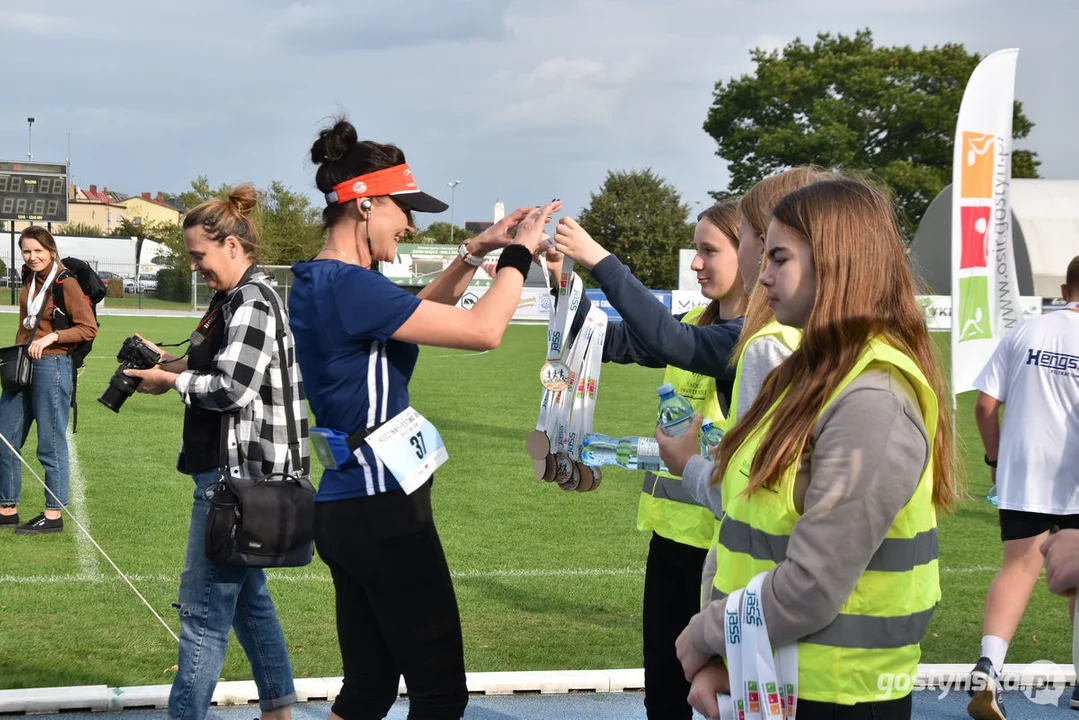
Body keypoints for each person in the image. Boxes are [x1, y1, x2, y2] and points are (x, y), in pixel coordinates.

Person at [288, 117, 559, 720]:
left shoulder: (322, 279)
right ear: (364, 204)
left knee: (368, 690)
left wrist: (474, 252)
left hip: (346, 507)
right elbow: (485, 331)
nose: (409, 223)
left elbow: (408, 314)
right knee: (439, 696)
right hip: (385, 509)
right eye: (402, 208)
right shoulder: (350, 286)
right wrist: (520, 254)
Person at [658, 176, 957, 720]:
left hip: (835, 694)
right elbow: (746, 523)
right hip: (773, 676)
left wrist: (709, 633)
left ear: (837, 263)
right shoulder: (805, 376)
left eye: (779, 257)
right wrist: (727, 650)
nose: (763, 276)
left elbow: (814, 583)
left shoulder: (873, 397)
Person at [553, 200, 746, 720]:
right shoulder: (694, 324)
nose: (697, 263)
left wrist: (599, 258)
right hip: (672, 542)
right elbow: (601, 341)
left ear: (748, 253)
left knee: (727, 698)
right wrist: (562, 284)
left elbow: (669, 339)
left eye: (710, 250)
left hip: (726, 552)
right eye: (697, 249)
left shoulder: (749, 343)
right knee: (663, 695)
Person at [123, 187, 305, 720]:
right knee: (250, 604)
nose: (196, 268)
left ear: (231, 245)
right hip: (235, 475)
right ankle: (278, 711)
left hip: (238, 482)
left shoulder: (250, 301)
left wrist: (174, 383)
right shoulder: (237, 299)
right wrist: (169, 370)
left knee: (202, 615)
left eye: (199, 256)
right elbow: (221, 374)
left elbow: (232, 389)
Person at [966, 254, 1079, 720]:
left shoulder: (1028, 330)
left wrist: (995, 460)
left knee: (1018, 568)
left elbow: (984, 406)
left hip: (1024, 467)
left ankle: (988, 667)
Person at [0, 226, 97, 535]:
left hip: (53, 365)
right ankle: (7, 507)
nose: (32, 257)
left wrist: (54, 335)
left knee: (50, 443)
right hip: (23, 363)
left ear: (51, 250)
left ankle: (52, 514)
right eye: (27, 251)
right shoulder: (29, 277)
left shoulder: (65, 282)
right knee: (5, 437)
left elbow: (88, 327)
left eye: (38, 251)